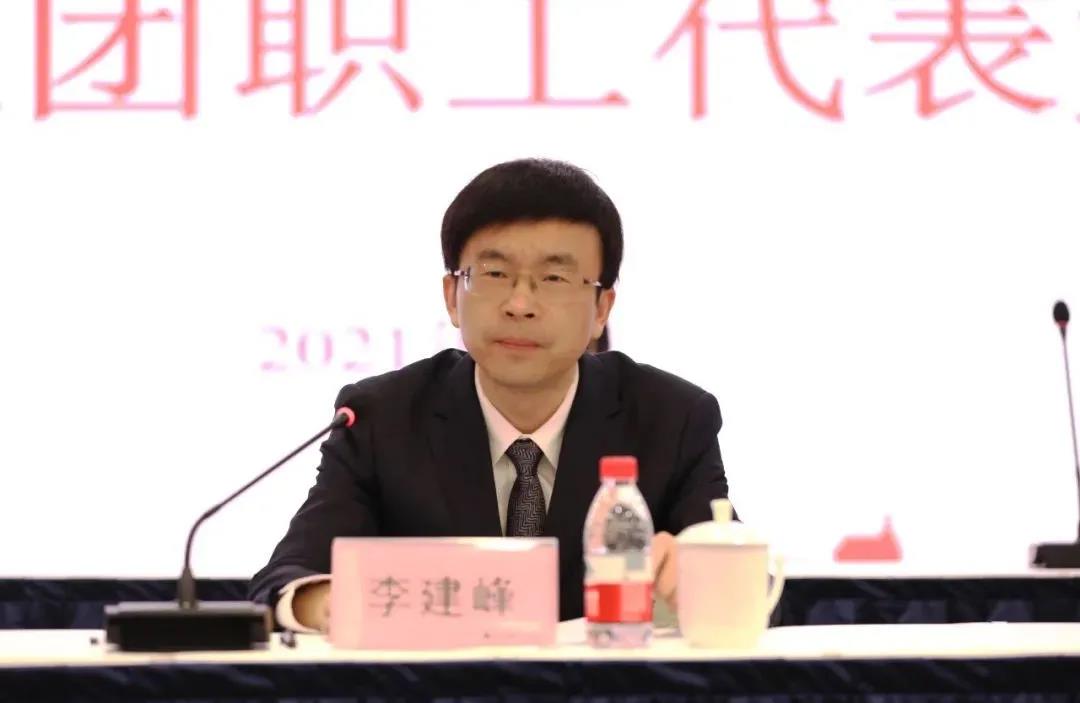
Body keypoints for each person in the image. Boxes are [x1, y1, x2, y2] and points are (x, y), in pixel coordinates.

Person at [249, 158, 731, 631]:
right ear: (451, 296)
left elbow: (749, 597)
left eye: (554, 278)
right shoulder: (381, 418)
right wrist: (332, 603)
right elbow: (287, 580)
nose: (520, 304)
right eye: (495, 274)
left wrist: (708, 584)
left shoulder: (673, 419)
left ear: (601, 308)